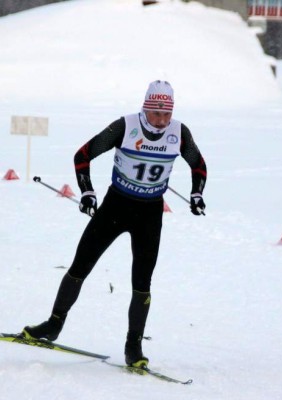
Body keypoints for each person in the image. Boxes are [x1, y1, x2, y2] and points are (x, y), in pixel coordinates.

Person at [22, 80, 208, 367]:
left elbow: (198, 164)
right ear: (145, 108)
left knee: (142, 283)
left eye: (166, 114)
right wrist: (87, 192)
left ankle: (133, 347)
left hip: (150, 215)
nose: (161, 121)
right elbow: (82, 155)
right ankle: (54, 324)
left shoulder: (179, 132)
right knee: (80, 265)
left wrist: (197, 194)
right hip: (116, 206)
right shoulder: (125, 126)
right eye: (155, 113)